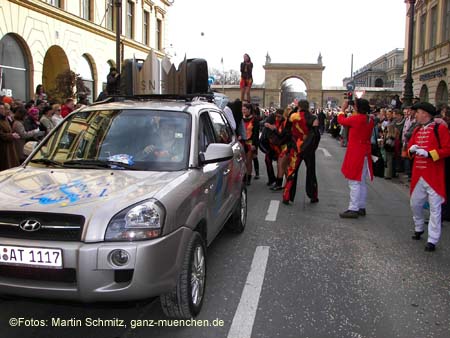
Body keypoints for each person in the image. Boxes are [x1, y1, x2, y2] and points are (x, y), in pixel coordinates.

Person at [407, 102, 450, 252]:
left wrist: (430, 154)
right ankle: (419, 227)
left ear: (425, 113)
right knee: (415, 204)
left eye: (417, 112)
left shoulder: (440, 129)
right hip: (418, 175)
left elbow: (447, 149)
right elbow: (408, 151)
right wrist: (411, 150)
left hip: (434, 175)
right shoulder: (417, 130)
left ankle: (432, 239)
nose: (416, 115)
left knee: (435, 209)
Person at [338, 98, 374, 218]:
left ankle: (353, 208)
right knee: (362, 181)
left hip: (356, 152)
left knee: (354, 181)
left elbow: (341, 120)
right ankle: (361, 206)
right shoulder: (370, 119)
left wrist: (342, 109)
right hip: (365, 152)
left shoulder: (356, 118)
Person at [242, 102, 259, 185]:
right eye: (243, 110)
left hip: (250, 143)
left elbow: (256, 133)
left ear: (249, 110)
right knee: (243, 162)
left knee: (248, 161)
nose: (243, 111)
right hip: (242, 143)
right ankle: (243, 176)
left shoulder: (255, 119)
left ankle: (248, 178)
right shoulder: (241, 119)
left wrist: (254, 145)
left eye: (245, 109)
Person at [0, 102, 20, 171]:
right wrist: (11, 135)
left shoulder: (4, 119)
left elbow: (8, 130)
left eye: (3, 108)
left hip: (9, 146)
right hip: (3, 148)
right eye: (1, 109)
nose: (2, 110)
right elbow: (1, 134)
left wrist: (12, 134)